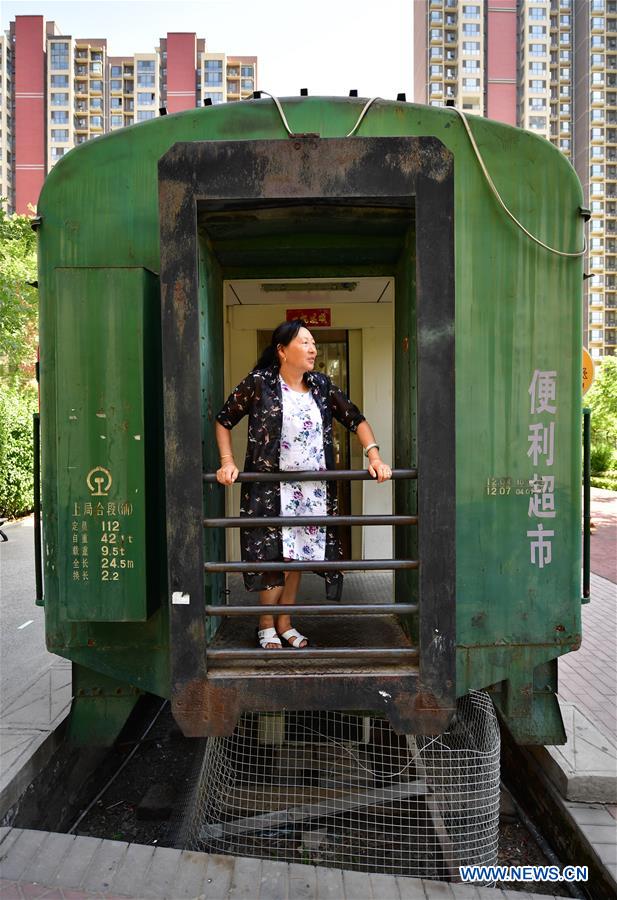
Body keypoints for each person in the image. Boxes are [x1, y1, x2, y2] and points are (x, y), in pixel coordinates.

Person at [215, 319, 391, 650]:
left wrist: (375, 457)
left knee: (297, 557)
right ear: (282, 351)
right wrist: (227, 462)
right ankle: (265, 624)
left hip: (312, 490)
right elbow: (224, 420)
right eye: (305, 342)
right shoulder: (259, 383)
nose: (313, 349)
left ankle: (285, 622)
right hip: (270, 489)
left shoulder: (321, 385)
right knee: (274, 558)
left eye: (314, 343)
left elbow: (356, 419)